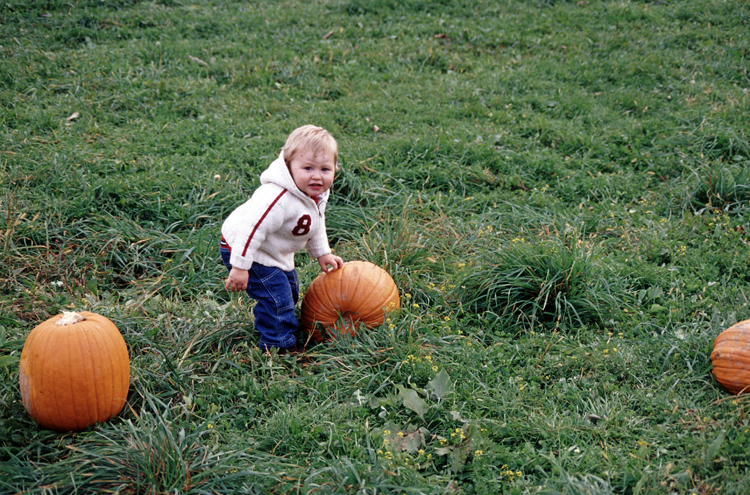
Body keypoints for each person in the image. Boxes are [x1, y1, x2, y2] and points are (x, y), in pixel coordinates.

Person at [220, 125, 344, 353]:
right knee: (278, 298)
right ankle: (277, 346)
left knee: (290, 289)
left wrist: (322, 252)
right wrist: (240, 267)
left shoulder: (314, 194)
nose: (317, 176)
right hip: (243, 247)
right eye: (308, 168)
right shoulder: (277, 198)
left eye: (325, 169)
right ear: (289, 167)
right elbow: (251, 229)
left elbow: (316, 222)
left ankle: (270, 323)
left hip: (270, 251)